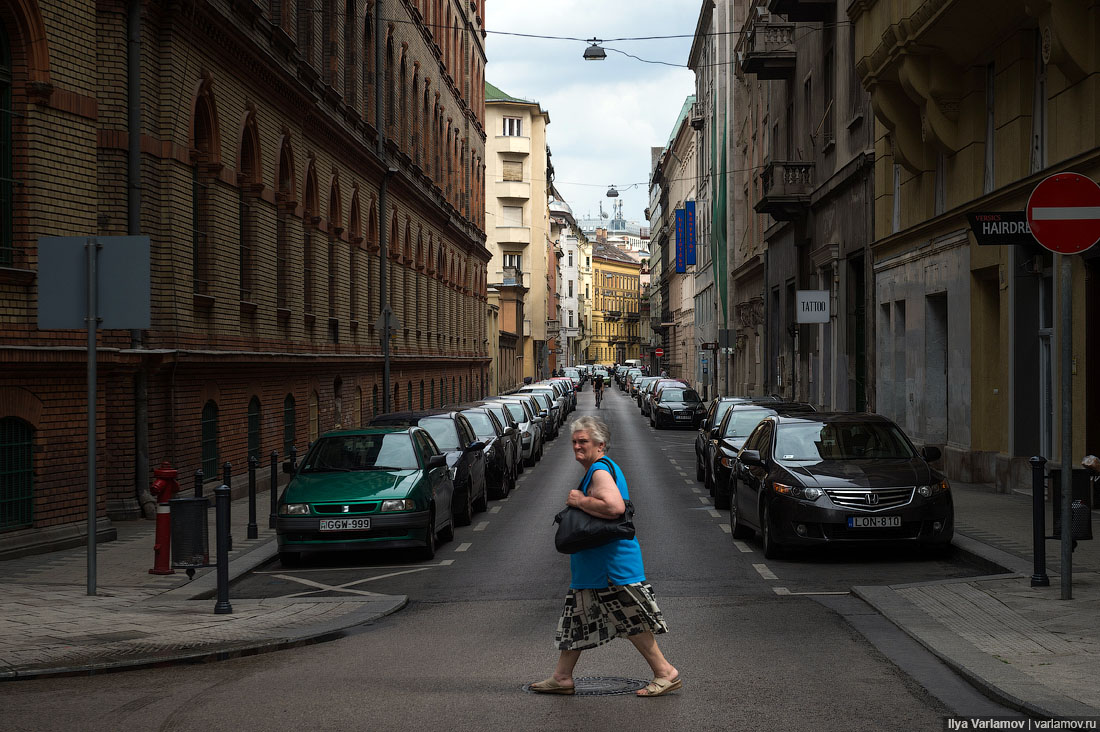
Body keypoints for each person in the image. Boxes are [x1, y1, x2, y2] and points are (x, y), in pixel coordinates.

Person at [530, 416, 680, 697]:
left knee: (632, 621)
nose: (577, 446)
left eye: (583, 441)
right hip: (593, 569)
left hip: (610, 567)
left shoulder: (599, 470)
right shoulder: (598, 469)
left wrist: (578, 501)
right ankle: (562, 677)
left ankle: (665, 672)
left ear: (600, 444)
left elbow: (613, 507)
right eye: (574, 441)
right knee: (576, 621)